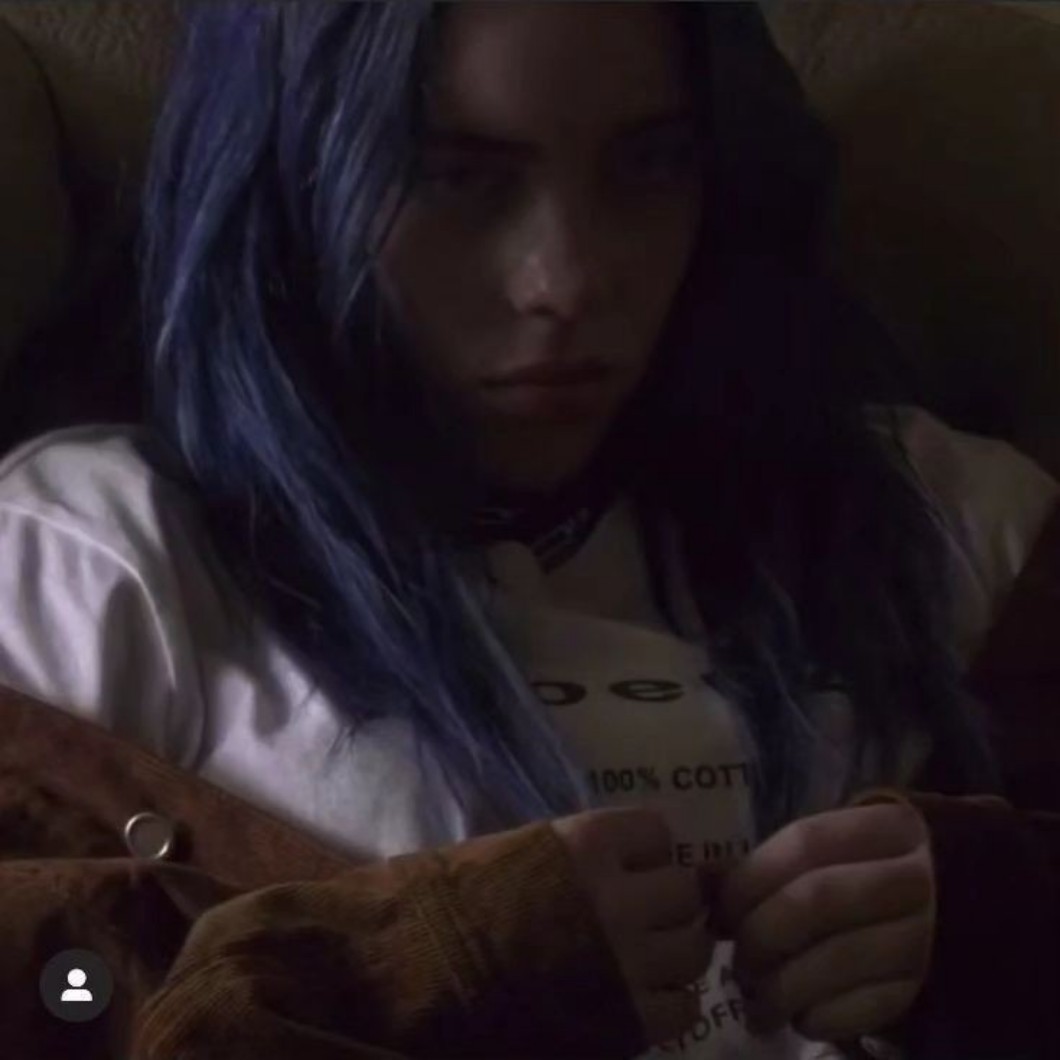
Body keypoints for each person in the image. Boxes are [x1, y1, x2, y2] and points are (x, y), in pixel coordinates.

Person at [0, 2, 1058, 1058]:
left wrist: (1002, 917)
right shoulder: (90, 569)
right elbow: (51, 996)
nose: (567, 282)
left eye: (649, 165)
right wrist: (409, 967)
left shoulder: (953, 525)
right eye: (457, 178)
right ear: (288, 183)